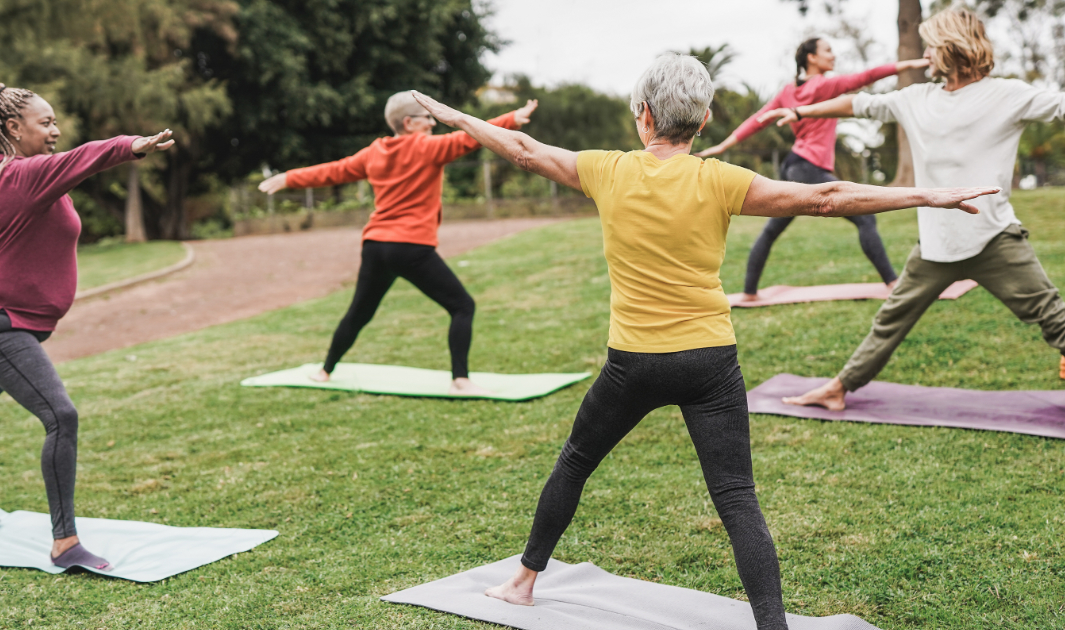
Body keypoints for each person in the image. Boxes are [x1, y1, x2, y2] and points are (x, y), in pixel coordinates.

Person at [410, 52, 995, 629]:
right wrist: (926, 195)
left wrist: (457, 116)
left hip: (632, 364)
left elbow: (522, 149)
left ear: (642, 114)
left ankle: (522, 583)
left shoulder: (607, 169)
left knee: (576, 461)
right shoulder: (720, 180)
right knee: (737, 496)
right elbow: (827, 197)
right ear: (706, 119)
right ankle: (773, 627)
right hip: (709, 363)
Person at [767, 8, 1065, 415]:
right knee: (890, 322)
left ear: (950, 47)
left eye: (931, 44)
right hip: (935, 247)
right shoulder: (917, 99)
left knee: (1055, 318)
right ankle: (838, 388)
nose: (925, 53)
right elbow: (858, 104)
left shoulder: (1007, 94)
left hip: (995, 239)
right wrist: (803, 112)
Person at [0, 81, 174, 570]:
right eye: (46, 122)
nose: (55, 130)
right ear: (13, 127)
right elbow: (88, 157)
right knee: (61, 416)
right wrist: (133, 146)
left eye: (54, 122)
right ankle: (65, 543)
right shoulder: (24, 176)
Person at [258, 92, 538, 395]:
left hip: (376, 246)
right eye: (427, 119)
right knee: (462, 306)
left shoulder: (374, 152)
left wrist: (289, 178)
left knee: (359, 313)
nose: (433, 124)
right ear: (408, 123)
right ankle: (461, 380)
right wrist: (511, 119)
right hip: (410, 247)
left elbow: (333, 171)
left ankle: (325, 371)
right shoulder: (428, 148)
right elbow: (470, 137)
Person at [697, 39, 930, 300]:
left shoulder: (788, 90)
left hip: (794, 166)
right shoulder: (826, 86)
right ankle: (892, 283)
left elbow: (757, 120)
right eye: (827, 51)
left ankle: (750, 292)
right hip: (808, 167)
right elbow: (867, 76)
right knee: (865, 218)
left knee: (773, 230)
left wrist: (723, 145)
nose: (833, 55)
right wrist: (911, 63)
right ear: (811, 58)